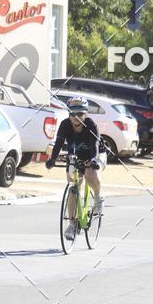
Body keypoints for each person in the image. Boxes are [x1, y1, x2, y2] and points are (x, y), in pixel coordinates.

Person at [45, 96, 106, 240]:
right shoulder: (65, 125)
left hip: (95, 154)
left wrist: (93, 160)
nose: (76, 117)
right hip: (75, 155)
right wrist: (52, 159)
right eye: (72, 113)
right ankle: (72, 225)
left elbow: (95, 146)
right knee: (73, 185)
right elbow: (59, 143)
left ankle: (98, 198)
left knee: (91, 174)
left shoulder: (91, 125)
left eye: (80, 114)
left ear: (86, 114)